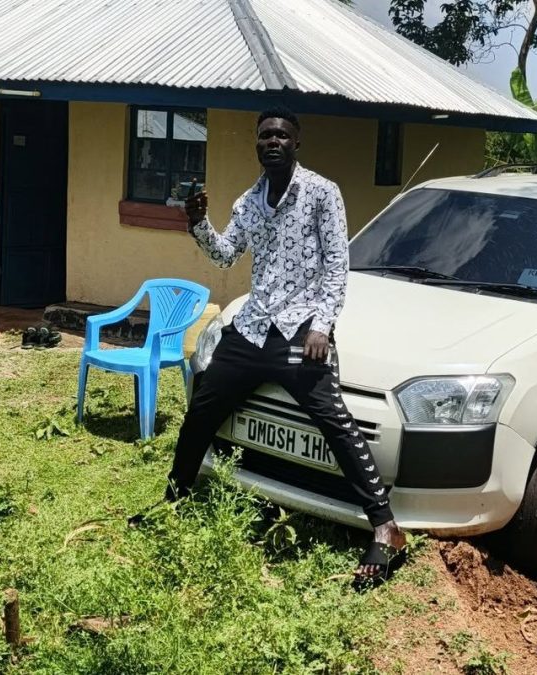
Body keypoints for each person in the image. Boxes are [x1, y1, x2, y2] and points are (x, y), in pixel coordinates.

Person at [152, 106, 407, 582]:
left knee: (333, 420)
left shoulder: (321, 194)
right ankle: (176, 496)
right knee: (202, 403)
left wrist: (322, 325)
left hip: (300, 329)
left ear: (296, 142)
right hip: (252, 328)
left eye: (281, 135)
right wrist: (198, 223)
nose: (272, 141)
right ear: (257, 144)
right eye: (265, 135)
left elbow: (337, 265)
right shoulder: (248, 202)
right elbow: (226, 255)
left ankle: (385, 527)